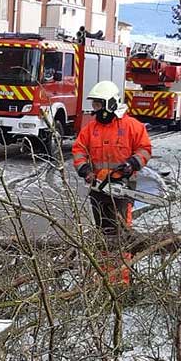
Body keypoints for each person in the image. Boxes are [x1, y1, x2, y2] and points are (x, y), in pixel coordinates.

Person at [71, 80, 152, 283]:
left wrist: (132, 163)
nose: (96, 109)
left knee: (121, 233)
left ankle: (122, 281)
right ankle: (104, 278)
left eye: (99, 105)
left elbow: (145, 149)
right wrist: (85, 170)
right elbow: (79, 150)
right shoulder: (91, 129)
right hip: (99, 187)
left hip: (123, 187)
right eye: (95, 105)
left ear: (110, 104)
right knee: (103, 233)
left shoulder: (132, 126)